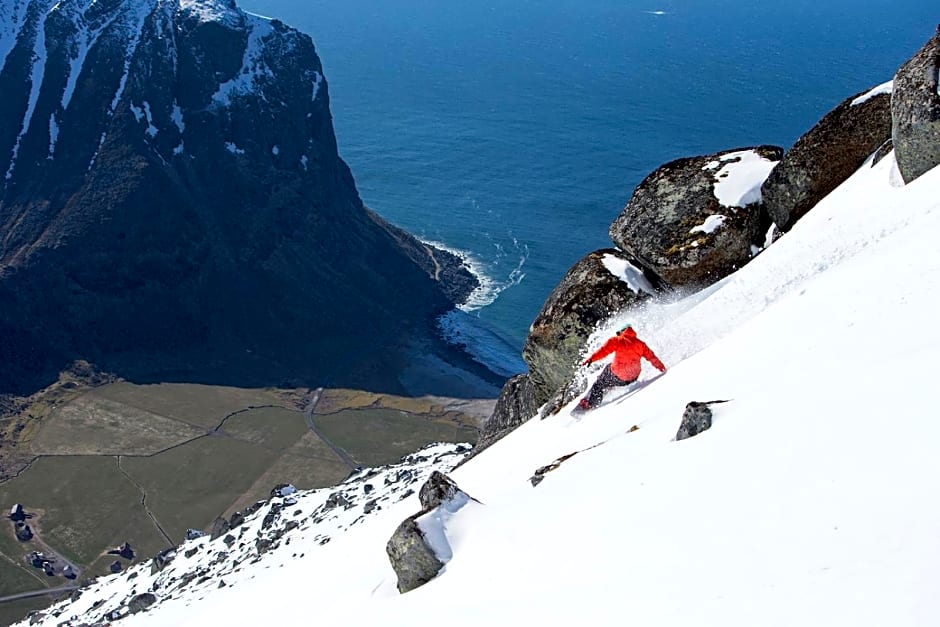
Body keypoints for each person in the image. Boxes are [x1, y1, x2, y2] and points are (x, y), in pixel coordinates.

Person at [577, 324, 666, 410]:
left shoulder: (617, 340)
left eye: (618, 333)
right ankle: (608, 385)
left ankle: (590, 404)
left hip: (619, 376)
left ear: (622, 332)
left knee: (599, 383)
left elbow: (603, 351)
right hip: (633, 378)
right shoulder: (641, 344)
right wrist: (662, 368)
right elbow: (652, 357)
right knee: (609, 368)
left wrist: (591, 359)